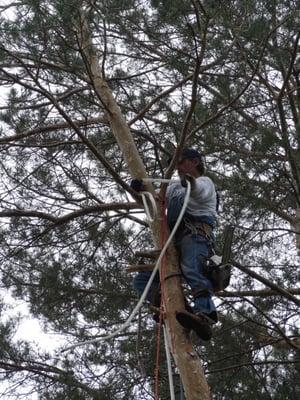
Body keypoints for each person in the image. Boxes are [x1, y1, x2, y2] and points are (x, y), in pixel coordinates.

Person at [132, 148, 218, 340]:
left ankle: (205, 315)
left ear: (195, 162)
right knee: (142, 280)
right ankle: (179, 309)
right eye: (174, 164)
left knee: (193, 269)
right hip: (173, 243)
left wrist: (191, 183)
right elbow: (151, 205)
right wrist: (137, 191)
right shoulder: (172, 188)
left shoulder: (205, 182)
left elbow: (200, 192)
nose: (177, 167)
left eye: (180, 162)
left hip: (195, 235)